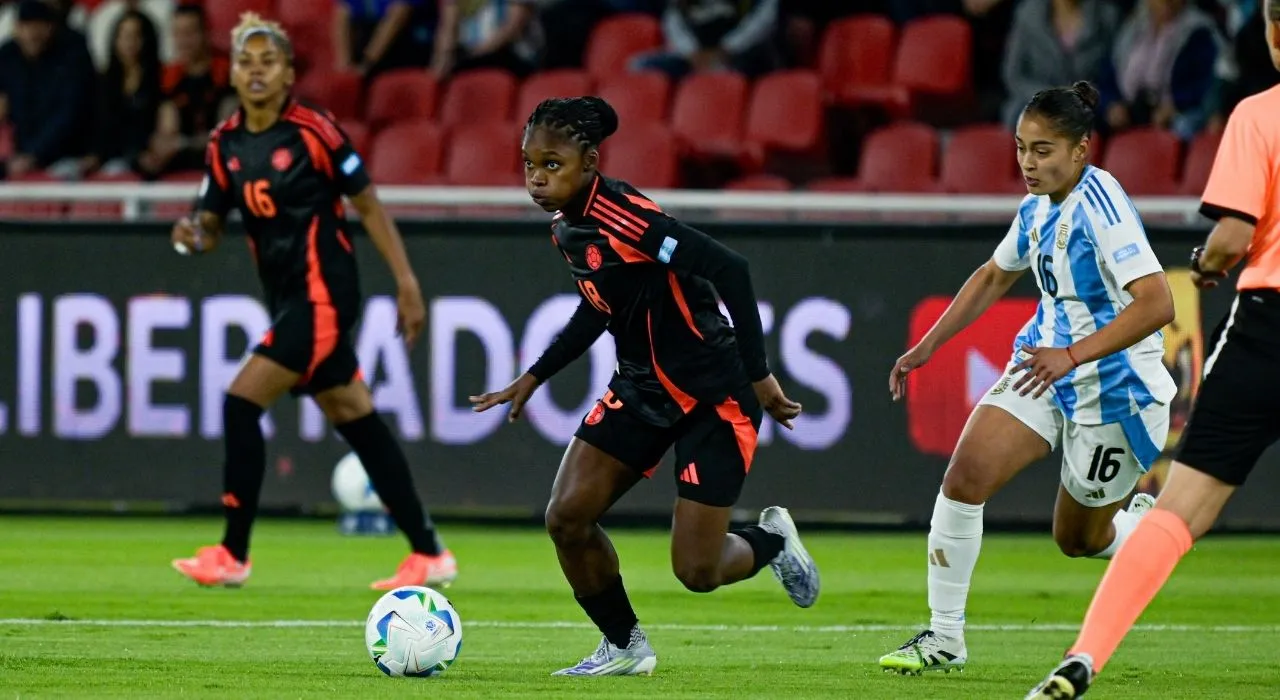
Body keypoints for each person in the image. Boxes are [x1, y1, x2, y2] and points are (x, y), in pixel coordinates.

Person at [469, 96, 820, 676]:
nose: (536, 177)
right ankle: (625, 646)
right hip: (642, 388)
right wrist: (532, 378)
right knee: (566, 518)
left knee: (697, 573)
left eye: (552, 164)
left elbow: (731, 268)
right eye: (528, 163)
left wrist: (758, 376)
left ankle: (771, 543)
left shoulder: (625, 215)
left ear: (589, 162)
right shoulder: (566, 229)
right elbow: (598, 308)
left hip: (715, 393)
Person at [878, 81, 1177, 676]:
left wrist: (1072, 354)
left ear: (1081, 150)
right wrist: (927, 346)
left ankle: (1142, 532)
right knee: (965, 477)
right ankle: (944, 639)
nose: (1028, 163)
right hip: (1044, 369)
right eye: (1021, 147)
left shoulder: (1102, 208)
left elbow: (1157, 303)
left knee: (1078, 540)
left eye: (1043, 150)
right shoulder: (1037, 206)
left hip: (1117, 391)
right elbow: (994, 275)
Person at [1026, 6, 1280, 698]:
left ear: (1273, 31)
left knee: (1176, 511)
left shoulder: (1260, 115)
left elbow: (1232, 236)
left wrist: (1203, 265)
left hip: (1270, 327)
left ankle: (1084, 655)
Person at [169, 13, 456, 592]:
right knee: (356, 417)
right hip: (285, 299)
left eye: (267, 62)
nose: (256, 72)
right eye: (246, 62)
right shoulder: (224, 143)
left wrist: (406, 282)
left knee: (240, 401)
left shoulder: (314, 132)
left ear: (288, 73)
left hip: (324, 295)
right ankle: (429, 553)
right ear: (234, 73)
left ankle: (233, 552)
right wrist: (193, 234)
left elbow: (369, 205)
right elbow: (209, 221)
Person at [82, 9, 163, 178]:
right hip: (109, 157)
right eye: (124, 36)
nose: (130, 43)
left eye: (136, 36)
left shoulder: (160, 79)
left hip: (147, 162)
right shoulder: (103, 81)